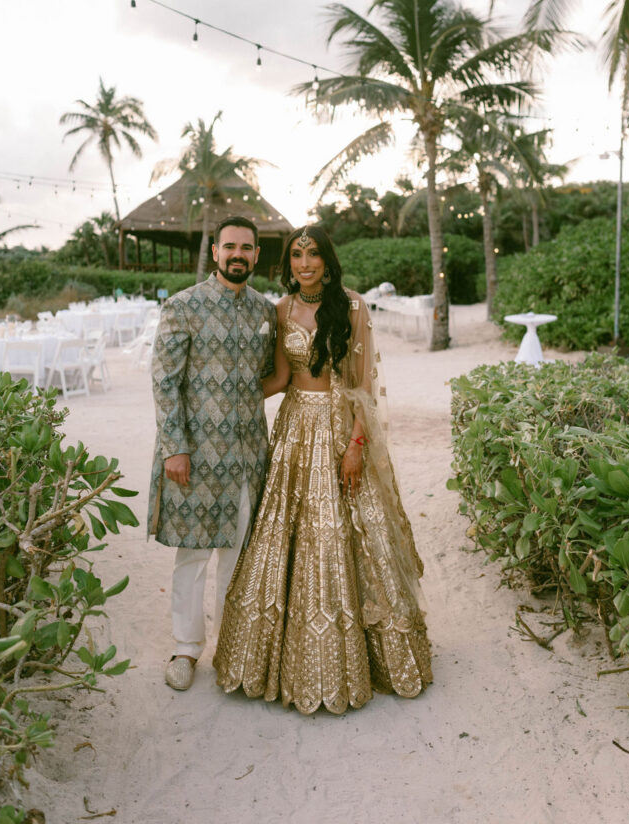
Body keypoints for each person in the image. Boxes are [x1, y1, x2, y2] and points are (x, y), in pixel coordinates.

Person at [214, 224, 432, 714]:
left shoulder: (352, 306)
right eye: (296, 254)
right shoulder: (282, 309)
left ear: (327, 260)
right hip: (293, 429)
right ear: (287, 262)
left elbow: (363, 384)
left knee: (349, 534)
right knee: (286, 534)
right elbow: (282, 377)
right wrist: (230, 395)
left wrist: (356, 445)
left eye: (312, 254)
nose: (304, 263)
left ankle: (373, 657)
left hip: (338, 429)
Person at [148, 216, 277, 692]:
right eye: (230, 246)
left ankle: (231, 647)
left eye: (246, 247)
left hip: (247, 455)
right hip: (196, 456)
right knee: (194, 554)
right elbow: (164, 382)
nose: (238, 254)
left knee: (238, 553)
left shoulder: (266, 311)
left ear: (257, 254)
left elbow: (264, 375)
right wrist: (174, 448)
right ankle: (185, 648)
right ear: (216, 252)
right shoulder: (184, 306)